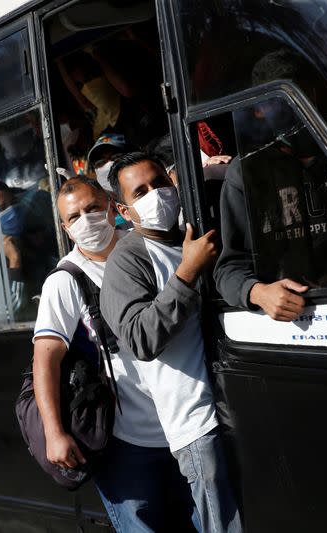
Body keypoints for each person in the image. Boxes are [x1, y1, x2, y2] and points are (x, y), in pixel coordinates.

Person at [32, 176, 197, 532]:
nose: (86, 220)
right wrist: (53, 432)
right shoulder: (65, 281)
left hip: (185, 428)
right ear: (65, 228)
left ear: (111, 205)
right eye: (74, 217)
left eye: (92, 208)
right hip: (127, 446)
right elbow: (45, 359)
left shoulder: (145, 249)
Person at [102, 152, 242, 533]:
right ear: (124, 210)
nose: (156, 195)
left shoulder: (192, 235)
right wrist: (186, 273)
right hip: (197, 426)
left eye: (160, 184)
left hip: (234, 407)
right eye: (141, 192)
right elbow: (139, 337)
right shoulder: (127, 260)